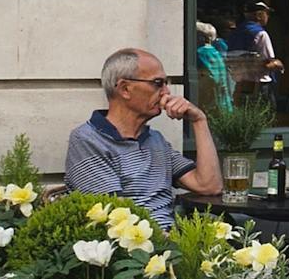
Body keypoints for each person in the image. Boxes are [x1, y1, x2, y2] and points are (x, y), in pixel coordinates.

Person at [64, 48, 223, 226]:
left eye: (166, 83)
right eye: (158, 83)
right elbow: (113, 217)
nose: (166, 92)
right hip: (136, 245)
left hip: (174, 242)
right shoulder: (88, 140)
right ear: (125, 89)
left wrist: (199, 121)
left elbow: (209, 186)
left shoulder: (156, 140)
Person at [228, 1, 283, 93]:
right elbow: (267, 62)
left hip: (238, 84)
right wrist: (278, 64)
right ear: (259, 15)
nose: (268, 16)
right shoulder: (260, 34)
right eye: (267, 13)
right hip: (257, 85)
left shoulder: (236, 32)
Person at [192, 21, 234, 112]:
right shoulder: (215, 51)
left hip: (209, 102)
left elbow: (210, 78)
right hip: (221, 100)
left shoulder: (201, 53)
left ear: (201, 37)